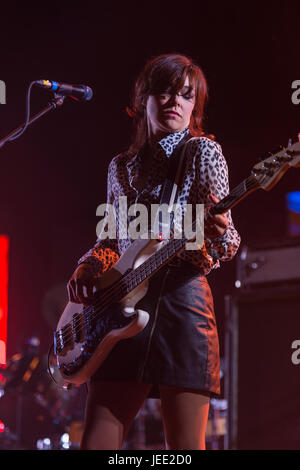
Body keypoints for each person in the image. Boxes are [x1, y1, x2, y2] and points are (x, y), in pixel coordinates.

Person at [67, 53, 241, 450]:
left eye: (186, 95)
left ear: (195, 104)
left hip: (182, 304)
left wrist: (218, 230)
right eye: (164, 92)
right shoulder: (120, 166)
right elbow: (111, 239)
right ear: (143, 98)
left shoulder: (203, 153)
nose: (175, 102)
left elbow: (229, 245)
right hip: (118, 311)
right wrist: (87, 266)